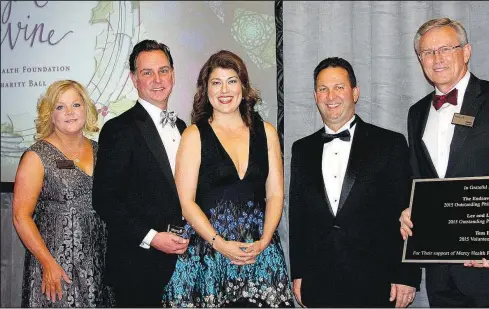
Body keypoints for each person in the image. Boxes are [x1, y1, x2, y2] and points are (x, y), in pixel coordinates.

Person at [400, 17, 489, 307]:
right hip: (441, 277)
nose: (436, 59)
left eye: (445, 48)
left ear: (466, 52)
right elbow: (420, 182)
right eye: (427, 52)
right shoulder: (416, 113)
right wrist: (410, 210)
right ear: (420, 59)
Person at [161, 50, 293, 307]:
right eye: (216, 82)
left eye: (232, 81)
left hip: (260, 253)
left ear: (243, 87)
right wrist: (220, 244)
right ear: (205, 89)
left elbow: (276, 193)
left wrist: (264, 241)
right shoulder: (193, 135)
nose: (225, 90)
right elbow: (186, 202)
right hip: (210, 255)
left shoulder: (266, 132)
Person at [289, 57, 421, 308]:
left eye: (339, 87)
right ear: (315, 96)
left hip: (378, 282)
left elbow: (407, 212)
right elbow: (298, 218)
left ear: (355, 92)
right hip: (319, 281)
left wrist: (407, 276)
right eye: (323, 89)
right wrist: (299, 273)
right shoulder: (302, 149)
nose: (331, 96)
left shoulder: (390, 144)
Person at [92, 39, 189, 307]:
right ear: (134, 79)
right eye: (147, 73)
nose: (157, 79)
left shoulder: (183, 127)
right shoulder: (118, 129)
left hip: (184, 261)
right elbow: (105, 200)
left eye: (163, 70)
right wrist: (152, 238)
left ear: (173, 74)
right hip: (138, 266)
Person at [13, 79, 113, 307]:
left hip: (98, 261)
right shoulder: (36, 156)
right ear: (51, 114)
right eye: (60, 107)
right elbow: (21, 216)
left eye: (76, 105)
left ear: (86, 109)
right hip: (57, 264)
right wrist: (47, 263)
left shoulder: (101, 150)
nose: (69, 112)